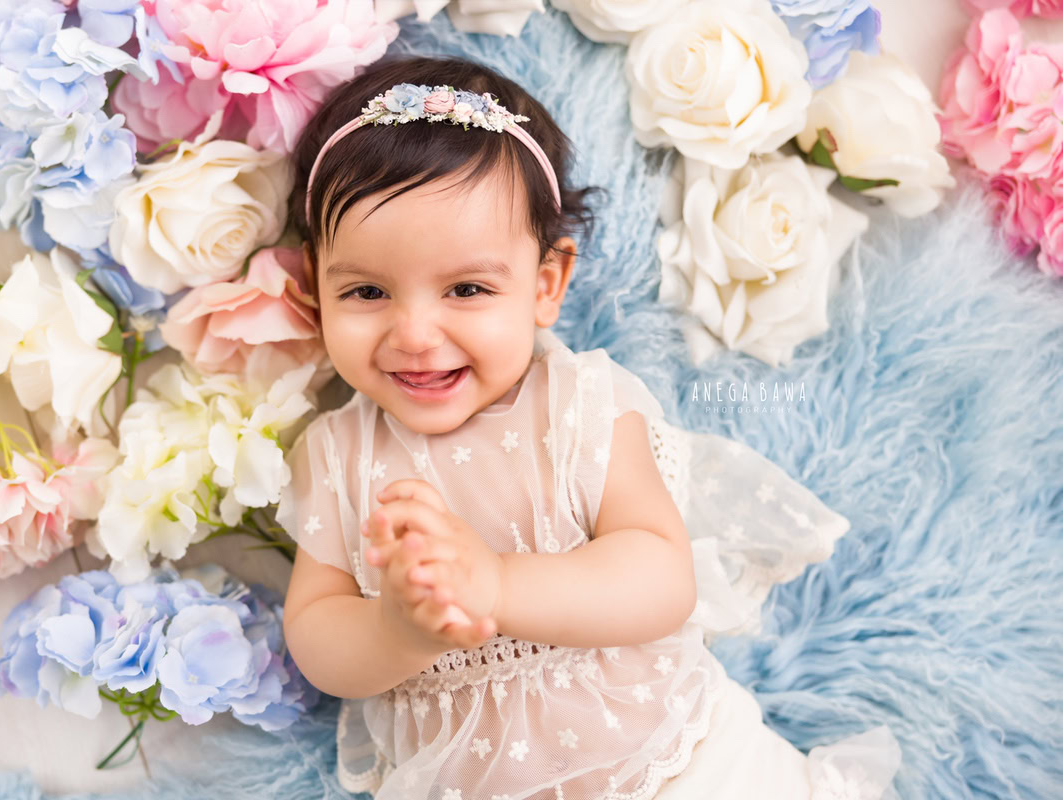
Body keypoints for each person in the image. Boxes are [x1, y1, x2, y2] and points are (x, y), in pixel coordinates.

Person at [275, 55, 902, 800]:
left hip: (681, 761)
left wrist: (496, 585)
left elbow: (660, 576)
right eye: (368, 291)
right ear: (314, 286)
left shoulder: (577, 406)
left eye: (467, 289)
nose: (414, 332)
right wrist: (397, 633)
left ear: (546, 285)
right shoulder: (337, 453)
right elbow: (316, 635)